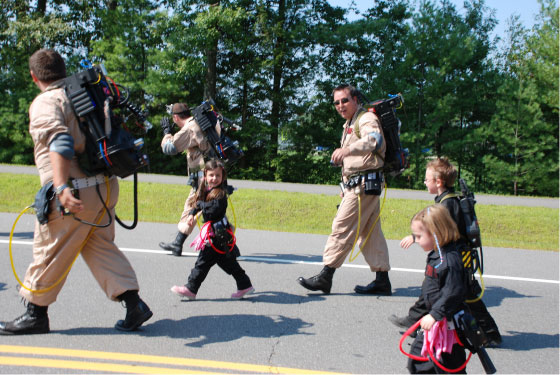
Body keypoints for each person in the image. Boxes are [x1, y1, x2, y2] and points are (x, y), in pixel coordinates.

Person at [0, 49, 152, 335]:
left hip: (75, 194)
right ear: (63, 70)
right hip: (106, 188)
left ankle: (35, 314)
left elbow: (59, 142)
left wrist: (59, 187)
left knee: (50, 250)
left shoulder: (46, 101)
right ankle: (134, 305)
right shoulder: (85, 93)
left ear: (34, 77)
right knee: (99, 247)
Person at [392, 157, 502, 346]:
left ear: (438, 182)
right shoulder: (447, 199)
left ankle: (490, 334)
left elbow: (439, 228)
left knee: (466, 295)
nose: (425, 182)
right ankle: (416, 321)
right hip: (453, 254)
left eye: (427, 179)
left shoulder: (447, 204)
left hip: (455, 256)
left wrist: (414, 236)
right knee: (434, 287)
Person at [297, 83, 392, 295]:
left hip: (363, 186)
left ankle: (326, 275)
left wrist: (347, 149)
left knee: (341, 227)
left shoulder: (366, 119)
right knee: (369, 234)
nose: (340, 105)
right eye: (337, 102)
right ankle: (382, 280)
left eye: (345, 100)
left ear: (356, 99)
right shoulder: (350, 122)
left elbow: (374, 140)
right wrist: (345, 185)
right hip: (358, 185)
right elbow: (354, 163)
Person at [170, 159, 254, 300]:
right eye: (211, 175)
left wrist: (201, 204)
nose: (214, 178)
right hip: (214, 235)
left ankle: (191, 288)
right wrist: (191, 215)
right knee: (228, 263)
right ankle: (244, 284)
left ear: (223, 177)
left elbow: (213, 209)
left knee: (202, 263)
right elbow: (197, 204)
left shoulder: (220, 194)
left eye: (217, 175)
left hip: (216, 236)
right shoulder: (205, 189)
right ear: (205, 175)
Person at [405, 204, 468, 374]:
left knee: (448, 367)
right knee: (418, 362)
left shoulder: (450, 260)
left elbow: (453, 292)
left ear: (436, 234)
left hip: (447, 326)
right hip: (435, 324)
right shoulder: (436, 256)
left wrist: (434, 315)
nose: (416, 241)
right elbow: (431, 288)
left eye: (419, 236)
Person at [158, 103, 218, 256]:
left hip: (202, 178)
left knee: (192, 207)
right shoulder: (203, 122)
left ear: (176, 117)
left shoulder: (189, 128)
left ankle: (178, 244)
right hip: (215, 173)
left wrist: (166, 132)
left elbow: (169, 148)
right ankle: (229, 246)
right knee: (215, 210)